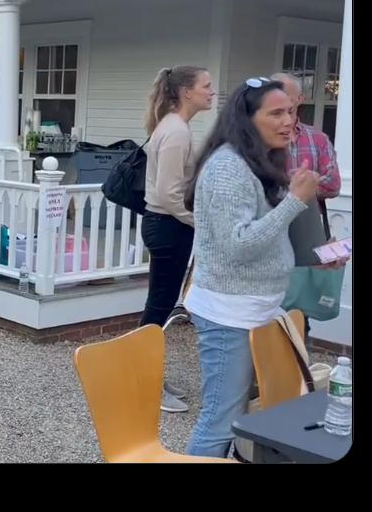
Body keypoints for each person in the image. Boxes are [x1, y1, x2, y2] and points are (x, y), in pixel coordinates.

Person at [183, 77, 347, 458]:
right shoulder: (227, 167)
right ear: (246, 120)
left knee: (263, 413)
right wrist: (294, 201)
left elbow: (269, 237)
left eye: (289, 111)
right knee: (220, 421)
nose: (288, 120)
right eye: (275, 113)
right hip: (229, 316)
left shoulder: (263, 162)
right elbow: (238, 246)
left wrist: (318, 259)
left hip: (260, 310)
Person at [140, 65, 214, 412]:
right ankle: (144, 382)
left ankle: (147, 376)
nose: (211, 92)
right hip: (168, 226)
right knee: (159, 308)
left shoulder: (174, 127)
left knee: (161, 305)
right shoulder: (176, 132)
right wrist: (199, 222)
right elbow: (170, 195)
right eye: (206, 86)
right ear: (186, 92)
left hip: (168, 225)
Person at [270, 71, 341, 335]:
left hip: (306, 233)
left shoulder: (317, 139)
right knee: (268, 308)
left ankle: (297, 367)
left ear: (299, 98)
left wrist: (296, 189)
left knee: (299, 310)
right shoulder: (259, 140)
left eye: (284, 94)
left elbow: (333, 183)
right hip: (271, 232)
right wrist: (302, 186)